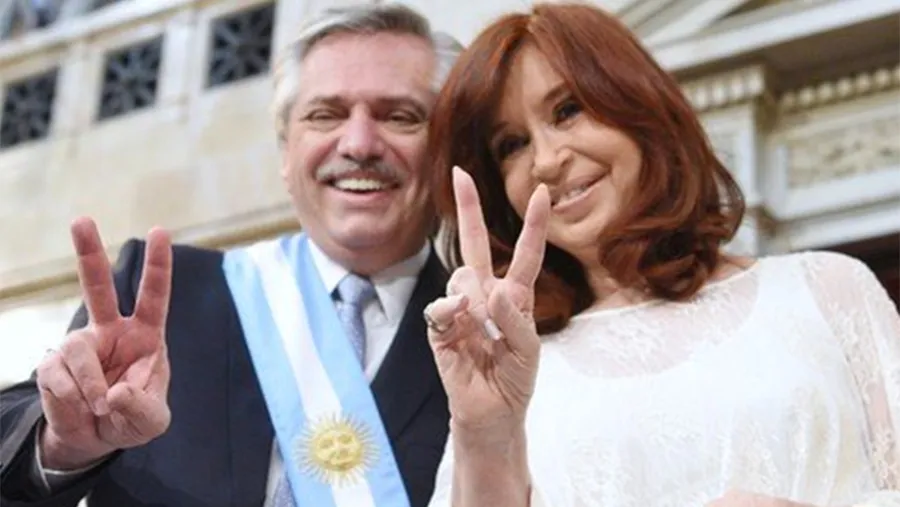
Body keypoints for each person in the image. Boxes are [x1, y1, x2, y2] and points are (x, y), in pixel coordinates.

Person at [420, 3, 900, 507]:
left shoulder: (826, 289)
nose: (546, 160)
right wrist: (485, 435)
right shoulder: (510, 375)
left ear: (638, 105)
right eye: (511, 145)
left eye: (568, 110)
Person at [0, 4, 462, 507]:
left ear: (447, 147)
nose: (358, 143)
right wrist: (64, 446)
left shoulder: (486, 341)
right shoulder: (161, 296)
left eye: (400, 116)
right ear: (286, 155)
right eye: (325, 114)